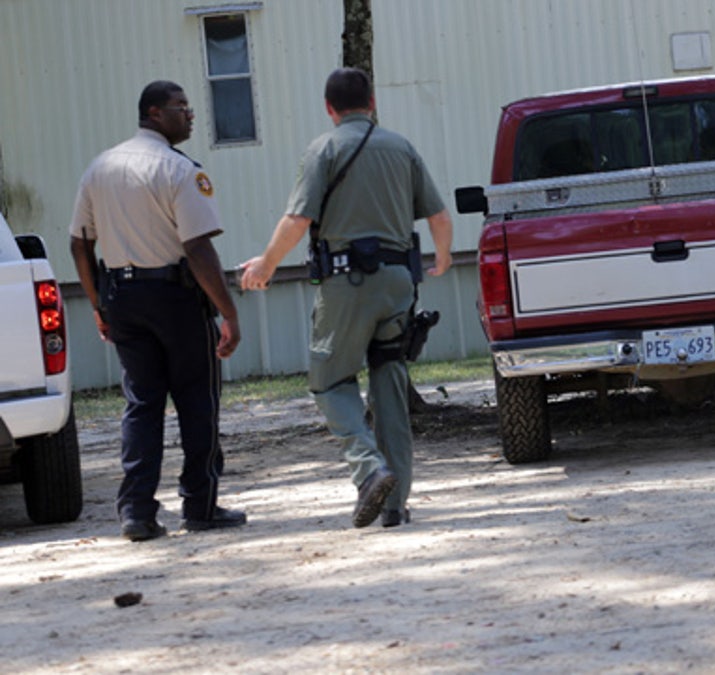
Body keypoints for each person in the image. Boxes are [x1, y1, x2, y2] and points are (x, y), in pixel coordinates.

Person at [240, 67, 453, 529]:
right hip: (399, 282)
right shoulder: (402, 148)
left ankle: (368, 468)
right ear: (372, 102)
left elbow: (298, 220)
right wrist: (441, 260)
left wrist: (266, 266)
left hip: (346, 285)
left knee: (331, 382)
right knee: (390, 383)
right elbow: (438, 214)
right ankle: (396, 505)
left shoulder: (325, 149)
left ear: (329, 108)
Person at [69, 80, 246, 542]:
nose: (189, 115)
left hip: (122, 297)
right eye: (180, 108)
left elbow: (79, 242)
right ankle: (200, 506)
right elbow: (198, 249)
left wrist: (97, 303)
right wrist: (229, 312)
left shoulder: (99, 167)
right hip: (176, 298)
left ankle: (137, 512)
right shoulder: (179, 170)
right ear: (153, 112)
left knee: (141, 404)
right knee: (196, 399)